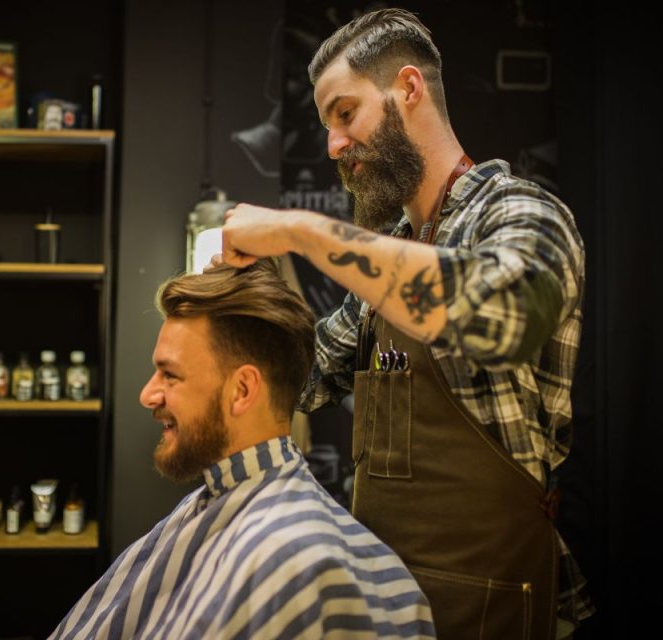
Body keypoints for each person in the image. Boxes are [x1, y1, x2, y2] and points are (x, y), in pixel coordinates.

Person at [217, 8, 592, 639]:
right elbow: (302, 381)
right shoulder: (393, 254)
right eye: (327, 125)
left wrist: (299, 229)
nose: (334, 144)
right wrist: (227, 304)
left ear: (409, 89)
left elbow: (510, 316)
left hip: (493, 602)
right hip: (386, 597)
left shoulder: (523, 212)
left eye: (345, 113)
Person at [50, 261, 435, 639]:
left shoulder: (298, 561)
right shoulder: (212, 505)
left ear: (243, 390)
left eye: (170, 374)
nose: (147, 394)